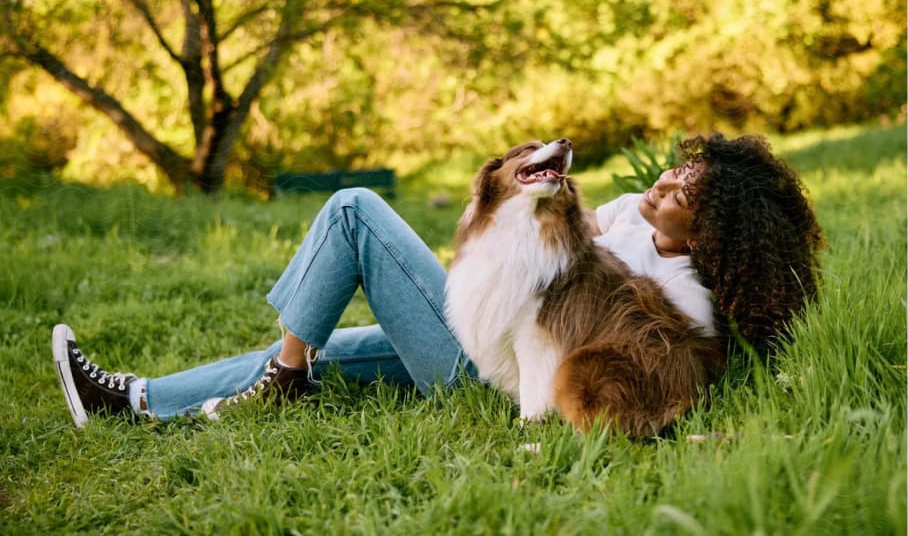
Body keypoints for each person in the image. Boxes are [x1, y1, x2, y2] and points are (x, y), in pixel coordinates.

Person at [52, 133, 823, 428]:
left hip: (494, 368)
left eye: (686, 189)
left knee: (355, 210)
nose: (662, 183)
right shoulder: (626, 210)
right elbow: (562, 236)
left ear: (712, 226)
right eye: (673, 171)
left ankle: (285, 371)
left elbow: (622, 333)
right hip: (486, 335)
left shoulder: (686, 294)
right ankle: (131, 398)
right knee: (325, 350)